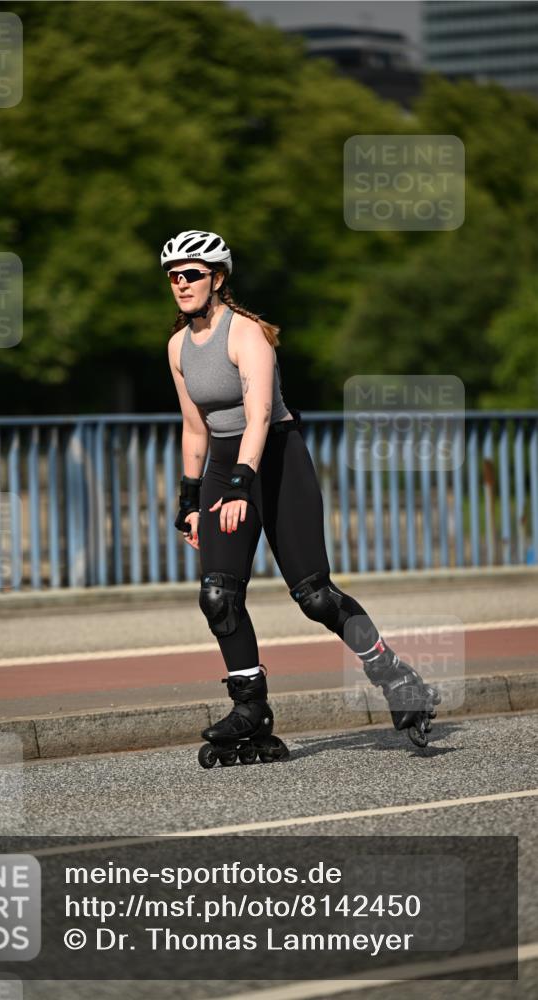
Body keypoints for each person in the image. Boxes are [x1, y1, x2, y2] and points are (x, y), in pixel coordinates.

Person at [163, 230, 440, 767]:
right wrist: (189, 500)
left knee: (314, 596)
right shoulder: (177, 347)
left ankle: (396, 678)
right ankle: (250, 709)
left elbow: (260, 415)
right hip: (223, 465)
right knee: (218, 596)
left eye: (192, 274)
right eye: (174, 276)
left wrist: (243, 485)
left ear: (217, 278)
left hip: (277, 461)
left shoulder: (246, 335)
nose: (182, 283)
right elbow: (194, 427)